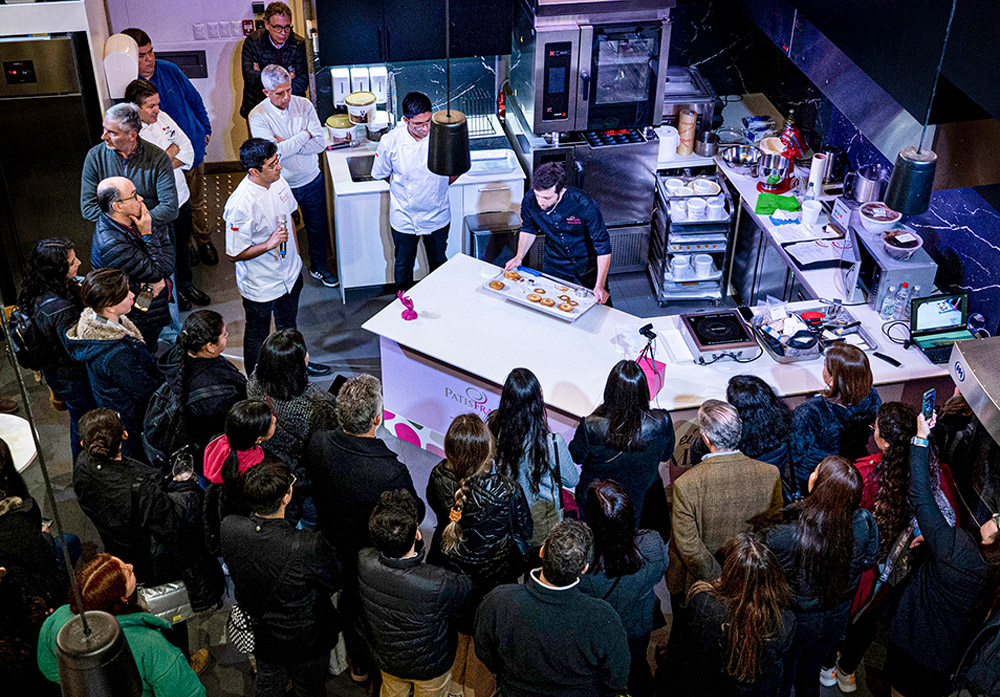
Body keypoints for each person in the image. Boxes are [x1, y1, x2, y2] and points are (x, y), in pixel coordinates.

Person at [304, 373, 424, 683]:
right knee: (372, 613)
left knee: (350, 605)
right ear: (377, 418)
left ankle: (357, 664)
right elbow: (414, 514)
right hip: (372, 554)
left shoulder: (318, 443)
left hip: (332, 543)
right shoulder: (390, 471)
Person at [882, 414, 989, 697]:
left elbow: (921, 496)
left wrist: (920, 439)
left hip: (913, 640)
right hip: (944, 652)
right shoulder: (978, 562)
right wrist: (933, 542)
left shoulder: (956, 547)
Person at [427, 413, 533, 697]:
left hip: (449, 575)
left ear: (450, 450)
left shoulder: (438, 477)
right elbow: (524, 541)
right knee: (483, 647)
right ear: (488, 449)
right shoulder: (508, 491)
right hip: (493, 583)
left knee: (453, 637)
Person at [221, 458, 341, 697]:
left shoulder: (229, 527)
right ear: (286, 497)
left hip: (264, 633)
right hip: (307, 638)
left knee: (269, 682)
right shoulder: (307, 544)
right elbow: (334, 580)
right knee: (310, 688)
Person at [760, 456, 878, 697]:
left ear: (822, 488)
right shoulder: (864, 521)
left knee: (785, 672)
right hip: (837, 616)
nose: (812, 474)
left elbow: (758, 556)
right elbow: (869, 560)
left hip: (799, 620)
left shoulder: (789, 534)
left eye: (816, 471)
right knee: (810, 672)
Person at [474, 519, 630, 697]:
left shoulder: (498, 601)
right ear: (584, 568)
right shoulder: (602, 617)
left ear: (542, 552)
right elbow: (617, 680)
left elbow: (486, 654)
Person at [224, 138, 330, 376]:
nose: (279, 167)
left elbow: (290, 215)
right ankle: (254, 380)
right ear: (254, 171)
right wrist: (268, 244)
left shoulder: (279, 181)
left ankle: (297, 367)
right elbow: (233, 253)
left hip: (291, 272)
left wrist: (297, 254)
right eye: (272, 164)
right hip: (262, 283)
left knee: (289, 324)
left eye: (277, 160)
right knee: (257, 333)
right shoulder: (240, 205)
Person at [37, 553, 207, 696]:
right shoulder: (150, 644)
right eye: (127, 573)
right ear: (121, 599)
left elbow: (48, 667)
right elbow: (187, 692)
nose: (131, 566)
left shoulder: (57, 619)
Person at [666, 400, 784, 605]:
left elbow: (689, 546)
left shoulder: (686, 484)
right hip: (751, 577)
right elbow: (772, 528)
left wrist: (719, 579)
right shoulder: (770, 474)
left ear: (705, 438)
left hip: (704, 586)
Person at [358, 490, 472, 697]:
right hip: (429, 667)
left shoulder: (364, 560)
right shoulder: (436, 582)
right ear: (417, 534)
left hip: (388, 659)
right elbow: (464, 586)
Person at [120, 26, 216, 267]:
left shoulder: (170, 70)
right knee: (175, 210)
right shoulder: (128, 86)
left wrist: (205, 129)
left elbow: (194, 100)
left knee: (196, 201)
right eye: (141, 56)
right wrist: (169, 158)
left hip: (190, 148)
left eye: (150, 52)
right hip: (169, 164)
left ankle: (203, 240)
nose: (149, 60)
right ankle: (187, 246)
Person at [656, 532, 796, 697]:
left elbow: (685, 652)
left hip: (707, 686)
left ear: (729, 571)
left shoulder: (704, 603)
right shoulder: (785, 619)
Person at [124, 78, 210, 309]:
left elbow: (188, 148)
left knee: (182, 245)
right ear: (134, 108)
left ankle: (186, 285)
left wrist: (165, 158)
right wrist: (170, 154)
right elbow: (148, 172)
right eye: (150, 106)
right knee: (165, 251)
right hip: (157, 205)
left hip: (180, 197)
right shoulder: (131, 135)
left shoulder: (162, 118)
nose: (157, 110)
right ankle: (171, 294)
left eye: (157, 104)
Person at [249, 64, 337, 288]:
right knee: (281, 231)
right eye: (279, 93)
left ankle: (319, 267)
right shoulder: (257, 115)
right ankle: (286, 274)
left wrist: (285, 144)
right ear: (266, 92)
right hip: (280, 184)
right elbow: (272, 153)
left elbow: (319, 144)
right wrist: (303, 135)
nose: (287, 97)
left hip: (310, 178)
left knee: (317, 228)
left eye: (288, 90)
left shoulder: (304, 104)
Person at [577, 480, 666, 697]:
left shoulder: (580, 556)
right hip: (637, 625)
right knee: (636, 667)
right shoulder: (652, 543)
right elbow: (661, 570)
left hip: (595, 631)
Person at [65, 269, 163, 459]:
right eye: (126, 293)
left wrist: (148, 294)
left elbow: (138, 318)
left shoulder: (97, 321)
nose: (132, 295)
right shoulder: (116, 353)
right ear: (109, 306)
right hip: (133, 423)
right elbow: (144, 390)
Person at [570, 360, 674, 528]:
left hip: (599, 498)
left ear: (610, 391)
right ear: (643, 391)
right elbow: (666, 455)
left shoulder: (591, 425)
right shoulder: (662, 421)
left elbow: (577, 456)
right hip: (642, 495)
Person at [15, 238, 94, 458]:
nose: (78, 262)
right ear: (56, 269)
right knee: (84, 425)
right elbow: (76, 349)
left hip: (56, 372)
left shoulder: (36, 288)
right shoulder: (59, 309)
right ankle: (84, 470)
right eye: (71, 262)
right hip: (70, 376)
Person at [371, 91, 459, 291]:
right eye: (419, 124)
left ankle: (440, 302)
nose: (425, 128)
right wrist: (401, 186)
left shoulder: (443, 135)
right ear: (405, 120)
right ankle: (402, 306)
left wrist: (439, 186)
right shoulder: (391, 141)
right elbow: (382, 173)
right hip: (405, 217)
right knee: (403, 265)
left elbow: (457, 168)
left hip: (438, 214)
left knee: (438, 262)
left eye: (428, 122)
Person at [488, 367, 579, 548]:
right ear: (539, 398)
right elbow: (572, 480)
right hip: (541, 519)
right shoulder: (551, 443)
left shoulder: (494, 426)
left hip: (507, 511)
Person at [505, 162, 612, 304]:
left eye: (547, 198)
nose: (540, 202)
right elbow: (528, 228)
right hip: (555, 263)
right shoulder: (530, 201)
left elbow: (603, 246)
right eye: (538, 195)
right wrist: (519, 257)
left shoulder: (584, 204)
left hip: (587, 264)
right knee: (553, 302)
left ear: (561, 191)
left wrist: (600, 285)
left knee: (600, 303)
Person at [89, 175, 175, 349]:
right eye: (134, 195)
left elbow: (168, 258)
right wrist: (147, 234)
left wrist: (154, 279)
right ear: (117, 206)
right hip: (139, 313)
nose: (141, 199)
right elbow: (158, 271)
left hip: (152, 305)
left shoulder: (139, 215)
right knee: (147, 350)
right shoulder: (111, 244)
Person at [790, 344, 881, 495]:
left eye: (825, 366)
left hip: (818, 476)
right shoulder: (872, 396)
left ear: (832, 380)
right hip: (853, 471)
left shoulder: (811, 412)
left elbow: (795, 453)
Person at [158, 310, 247, 462]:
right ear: (210, 346)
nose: (227, 336)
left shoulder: (177, 355)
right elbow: (235, 426)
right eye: (224, 335)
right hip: (212, 452)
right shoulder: (216, 394)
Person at [247, 329, 337, 469]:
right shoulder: (317, 405)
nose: (308, 355)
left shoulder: (255, 378)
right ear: (297, 365)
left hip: (269, 449)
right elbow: (330, 439)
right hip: (302, 462)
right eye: (304, 353)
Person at [81, 102, 177, 228]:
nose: (104, 136)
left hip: (152, 234)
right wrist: (126, 225)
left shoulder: (157, 158)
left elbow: (170, 208)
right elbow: (88, 207)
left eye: (112, 133)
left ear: (132, 135)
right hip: (114, 237)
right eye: (104, 129)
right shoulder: (95, 156)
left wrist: (141, 224)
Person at [202, 399, 275, 556]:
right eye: (270, 422)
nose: (274, 419)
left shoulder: (218, 443)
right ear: (257, 439)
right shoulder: (256, 468)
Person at [240, 2, 307, 122]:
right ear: (267, 25)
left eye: (287, 27)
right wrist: (287, 77)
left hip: (290, 110)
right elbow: (250, 77)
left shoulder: (298, 44)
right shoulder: (253, 41)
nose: (283, 33)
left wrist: (263, 75)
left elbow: (302, 82)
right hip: (258, 108)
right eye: (278, 27)